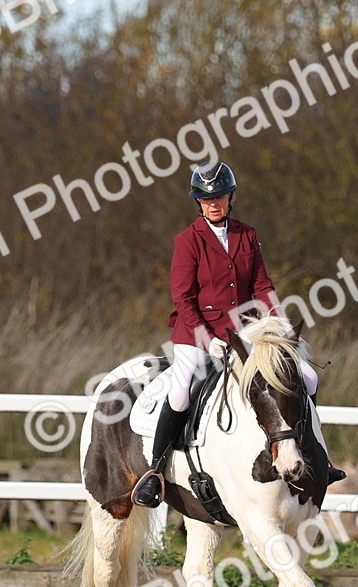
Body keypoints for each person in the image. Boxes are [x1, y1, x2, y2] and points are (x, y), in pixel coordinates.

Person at [132, 161, 345, 507]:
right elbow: (182, 299)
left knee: (306, 377)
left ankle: (314, 455)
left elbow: (262, 285)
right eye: (205, 198)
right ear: (197, 202)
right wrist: (206, 338)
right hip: (197, 336)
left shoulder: (247, 234)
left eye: (219, 196)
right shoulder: (188, 241)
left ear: (231, 197)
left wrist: (278, 323)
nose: (213, 203)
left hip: (246, 335)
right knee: (183, 390)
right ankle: (155, 472)